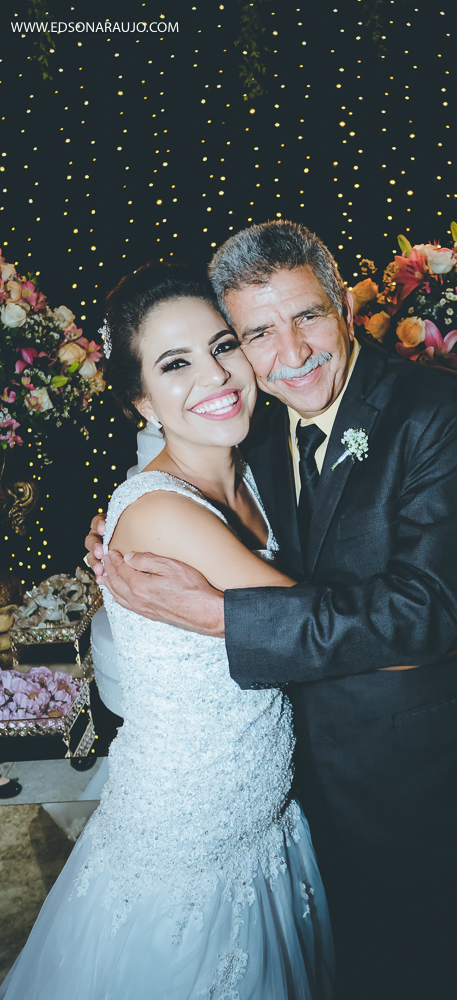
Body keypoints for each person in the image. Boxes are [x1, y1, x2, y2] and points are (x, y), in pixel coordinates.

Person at [86, 222, 457, 1000]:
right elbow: (177, 498)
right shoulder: (251, 428)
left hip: (420, 786)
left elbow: (420, 608)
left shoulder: (442, 414)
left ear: (346, 308)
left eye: (306, 317)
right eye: (254, 332)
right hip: (283, 795)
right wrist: (119, 524)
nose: (288, 352)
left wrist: (218, 613)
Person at [1, 264, 336, 1000]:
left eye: (222, 346)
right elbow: (322, 628)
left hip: (260, 816)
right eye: (175, 363)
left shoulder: (252, 468)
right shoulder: (162, 514)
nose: (215, 375)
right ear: (140, 398)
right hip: (190, 838)